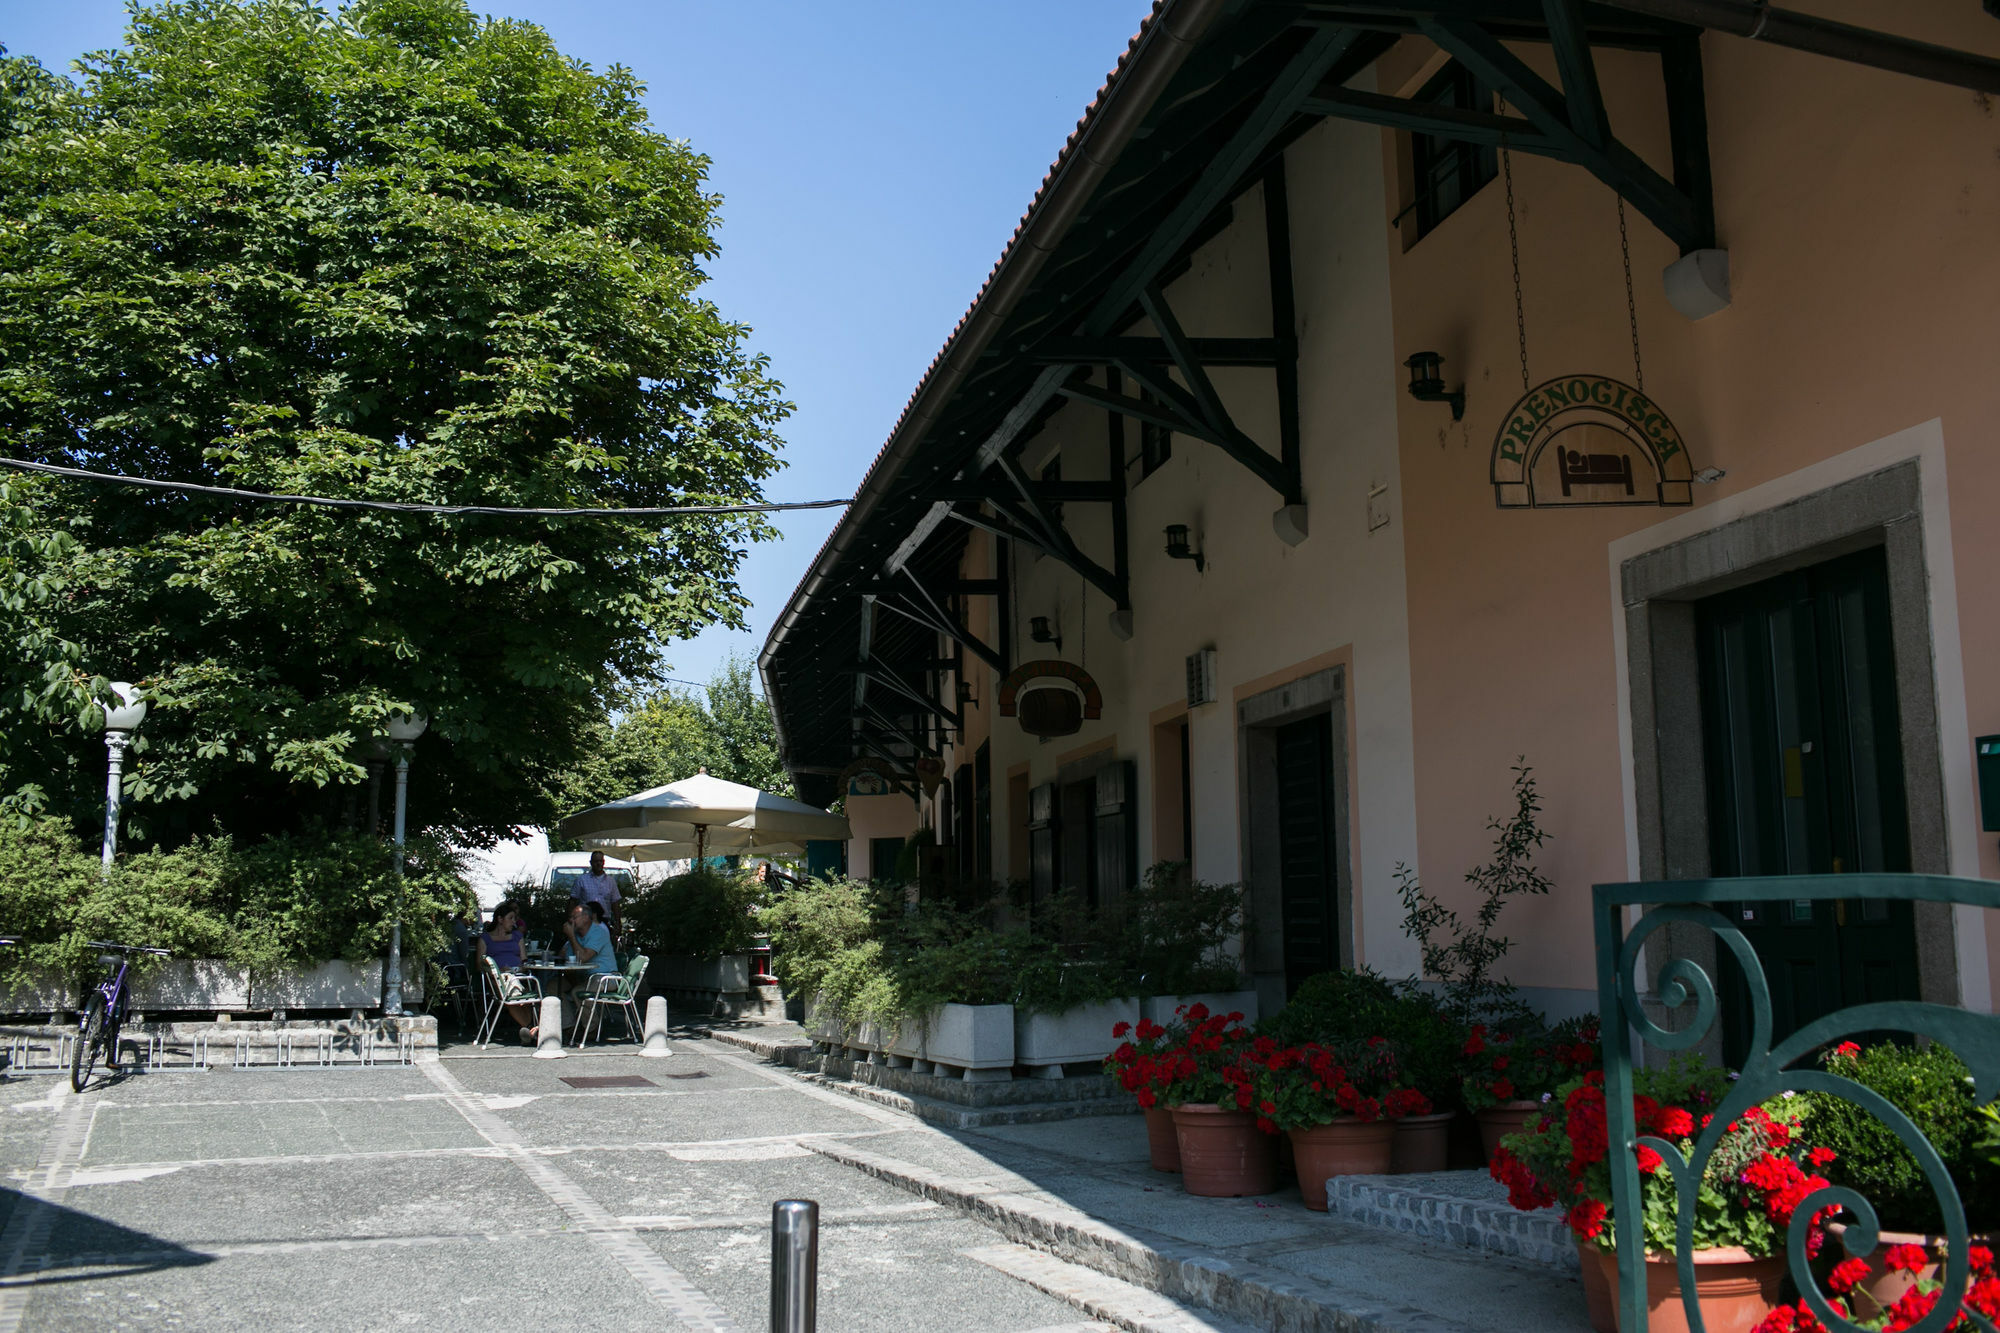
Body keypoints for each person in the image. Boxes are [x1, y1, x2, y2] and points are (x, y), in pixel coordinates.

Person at [476, 901, 540, 1044]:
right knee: (510, 986)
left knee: (515, 986)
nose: (514, 922)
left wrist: (517, 969)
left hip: (519, 976)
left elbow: (524, 961)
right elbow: (480, 966)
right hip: (497, 980)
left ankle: (529, 1030)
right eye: (510, 918)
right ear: (500, 919)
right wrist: (498, 971)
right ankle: (531, 1028)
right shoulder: (485, 939)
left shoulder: (517, 937)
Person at [569, 851, 623, 938]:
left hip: (604, 922)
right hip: (585, 922)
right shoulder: (581, 880)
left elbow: (615, 903)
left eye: (600, 861)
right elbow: (572, 901)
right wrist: (571, 920)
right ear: (591, 863)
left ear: (603, 862)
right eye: (596, 861)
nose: (598, 863)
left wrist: (618, 923)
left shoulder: (610, 881)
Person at [564, 900, 619, 978]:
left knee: (577, 990)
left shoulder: (599, 933)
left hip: (604, 977)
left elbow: (583, 958)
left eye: (574, 917)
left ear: (586, 918)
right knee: (552, 987)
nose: (571, 920)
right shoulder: (575, 934)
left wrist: (571, 936)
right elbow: (567, 961)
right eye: (570, 917)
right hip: (583, 978)